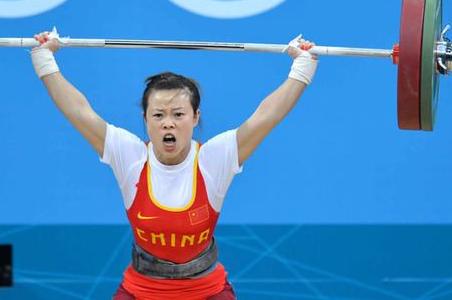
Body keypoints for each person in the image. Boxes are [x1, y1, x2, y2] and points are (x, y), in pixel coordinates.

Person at [30, 30, 318, 300]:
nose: (168, 122)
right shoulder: (129, 156)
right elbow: (79, 112)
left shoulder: (214, 159)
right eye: (158, 115)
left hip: (207, 290)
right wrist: (45, 59)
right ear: (146, 120)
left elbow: (265, 117)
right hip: (141, 290)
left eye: (178, 114)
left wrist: (301, 69)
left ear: (195, 118)